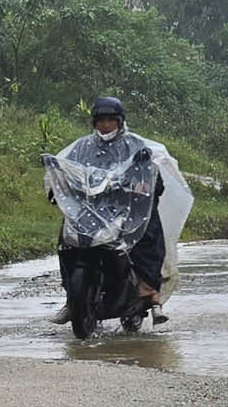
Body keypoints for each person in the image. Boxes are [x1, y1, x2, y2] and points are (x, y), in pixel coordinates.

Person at [48, 97, 191, 324]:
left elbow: (154, 178)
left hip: (126, 208)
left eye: (110, 120)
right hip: (93, 209)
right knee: (66, 241)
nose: (105, 125)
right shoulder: (82, 147)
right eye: (101, 120)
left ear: (120, 122)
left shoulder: (136, 146)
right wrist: (57, 187)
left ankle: (150, 292)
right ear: (94, 122)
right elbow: (68, 170)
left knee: (148, 232)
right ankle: (71, 298)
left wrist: (145, 185)